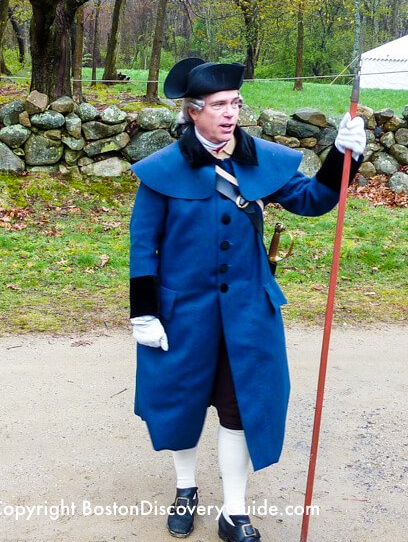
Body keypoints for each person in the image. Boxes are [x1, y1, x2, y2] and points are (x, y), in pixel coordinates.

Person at [128, 58, 366, 541]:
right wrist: (144, 311)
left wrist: (343, 157)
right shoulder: (161, 172)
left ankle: (234, 511)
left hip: (248, 314)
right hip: (181, 314)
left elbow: (314, 200)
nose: (229, 113)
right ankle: (185, 488)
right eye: (218, 105)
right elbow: (142, 244)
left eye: (234, 103)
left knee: (242, 407)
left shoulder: (261, 161)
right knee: (181, 403)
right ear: (193, 112)